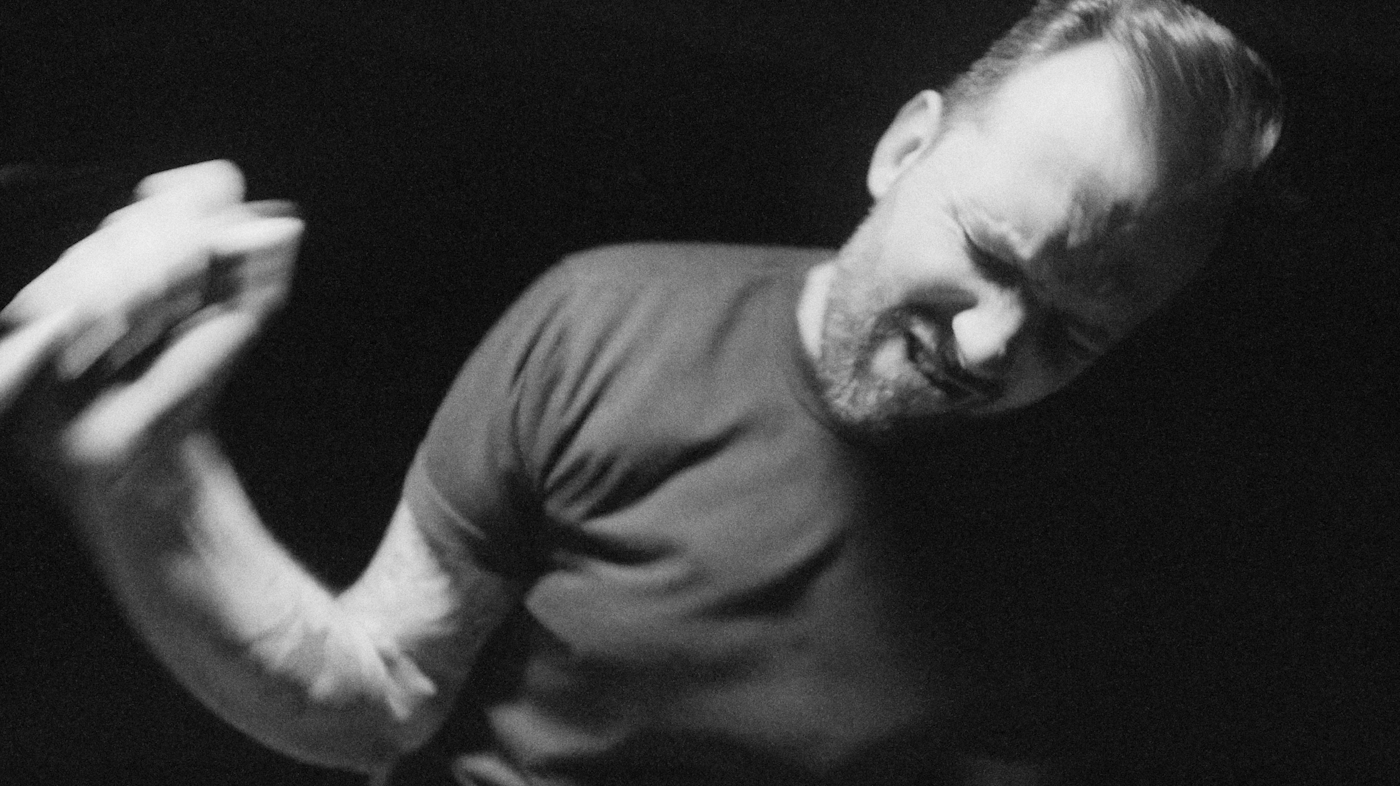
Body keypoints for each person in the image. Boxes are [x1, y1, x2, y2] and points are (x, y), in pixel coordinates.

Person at [0, 1, 1282, 784]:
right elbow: (376, 697)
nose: (995, 344)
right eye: (992, 255)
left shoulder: (1091, 538)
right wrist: (148, 476)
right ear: (903, 149)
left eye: (1076, 329)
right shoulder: (604, 322)